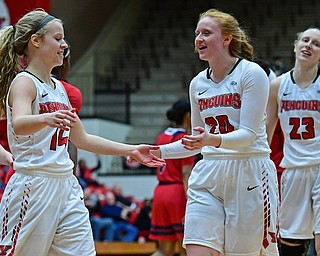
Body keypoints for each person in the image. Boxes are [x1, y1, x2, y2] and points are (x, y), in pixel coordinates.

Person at [0, 9, 165, 256]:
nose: (64, 45)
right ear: (35, 41)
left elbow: (84, 139)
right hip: (33, 186)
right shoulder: (24, 82)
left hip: (66, 185)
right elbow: (19, 123)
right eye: (57, 38)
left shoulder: (60, 89)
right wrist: (47, 117)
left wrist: (131, 149)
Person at [129, 8, 279, 256]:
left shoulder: (251, 73)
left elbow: (249, 135)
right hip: (209, 172)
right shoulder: (197, 82)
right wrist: (156, 151)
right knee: (197, 249)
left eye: (207, 33)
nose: (198, 38)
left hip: (248, 171)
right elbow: (196, 141)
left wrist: (213, 139)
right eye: (197, 33)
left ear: (227, 39)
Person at [266, 27, 320, 256]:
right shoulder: (277, 86)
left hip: (319, 166)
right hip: (292, 170)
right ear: (296, 46)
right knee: (290, 243)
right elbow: (266, 133)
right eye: (305, 40)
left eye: (316, 43)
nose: (309, 45)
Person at [150, 99, 195, 256]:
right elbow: (186, 172)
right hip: (178, 193)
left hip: (160, 192)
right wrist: (192, 202)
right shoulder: (185, 138)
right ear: (188, 116)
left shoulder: (161, 136)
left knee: (163, 250)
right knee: (186, 249)